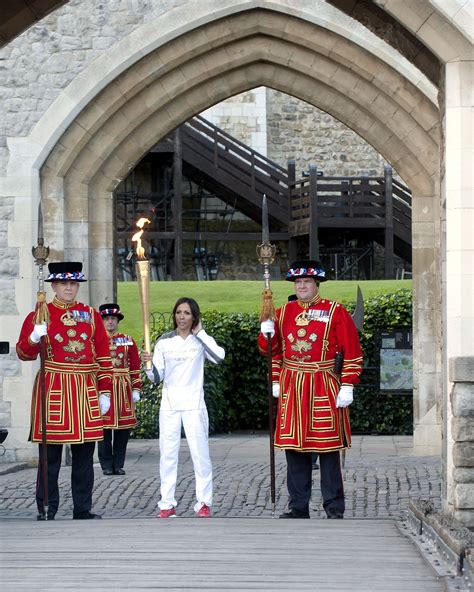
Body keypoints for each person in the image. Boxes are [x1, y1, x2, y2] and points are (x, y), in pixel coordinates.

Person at [258, 260, 363, 519]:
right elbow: (272, 352)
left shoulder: (335, 311)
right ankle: (298, 506)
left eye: (307, 282)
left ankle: (334, 506)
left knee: (327, 449)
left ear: (317, 284)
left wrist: (347, 383)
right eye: (298, 282)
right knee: (294, 449)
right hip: (292, 386)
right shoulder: (282, 312)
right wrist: (266, 335)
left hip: (323, 383)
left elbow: (352, 351)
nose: (302, 286)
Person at [16, 262, 113, 520]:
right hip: (55, 386)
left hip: (84, 387)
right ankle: (47, 507)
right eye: (63, 284)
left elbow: (103, 355)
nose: (69, 288)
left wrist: (105, 391)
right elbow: (24, 353)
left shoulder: (91, 315)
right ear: (54, 286)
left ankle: (82, 507)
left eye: (73, 283)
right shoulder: (41, 314)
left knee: (84, 453)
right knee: (50, 456)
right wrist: (34, 338)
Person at [142, 297, 225, 518]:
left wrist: (201, 333)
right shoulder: (164, 342)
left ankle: (204, 502)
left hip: (194, 405)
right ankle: (167, 503)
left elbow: (219, 357)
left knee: (200, 455)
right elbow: (157, 378)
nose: (182, 317)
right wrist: (148, 365)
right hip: (170, 405)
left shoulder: (200, 342)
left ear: (194, 317)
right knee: (168, 455)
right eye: (179, 312)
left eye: (187, 313)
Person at [98, 303, 141, 476]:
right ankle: (106, 465)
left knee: (123, 429)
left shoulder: (128, 340)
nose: (110, 322)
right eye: (107, 319)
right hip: (104, 387)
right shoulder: (96, 340)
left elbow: (135, 365)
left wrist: (136, 387)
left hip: (123, 388)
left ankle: (118, 464)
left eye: (113, 319)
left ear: (117, 321)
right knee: (103, 429)